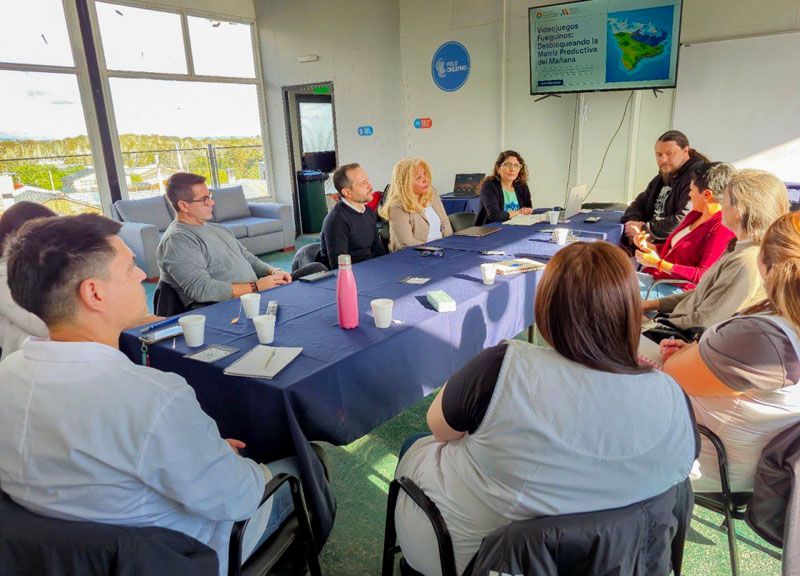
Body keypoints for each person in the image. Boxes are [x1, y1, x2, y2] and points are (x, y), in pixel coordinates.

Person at [0, 214, 307, 575]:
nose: (143, 277)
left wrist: (201, 450)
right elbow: (239, 497)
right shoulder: (154, 397)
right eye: (130, 267)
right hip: (176, 554)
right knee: (304, 466)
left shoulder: (8, 375)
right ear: (94, 293)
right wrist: (230, 460)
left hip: (64, 558)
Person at [394, 242, 696, 575]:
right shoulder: (673, 398)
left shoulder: (502, 367)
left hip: (476, 558)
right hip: (618, 562)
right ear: (628, 310)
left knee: (417, 444)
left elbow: (439, 427)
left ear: (546, 306)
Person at [661, 212, 800, 493]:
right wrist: (701, 352)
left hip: (709, 457)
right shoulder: (779, 329)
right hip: (754, 458)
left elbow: (672, 373)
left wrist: (690, 354)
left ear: (767, 263)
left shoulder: (764, 338)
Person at [642, 169, 789, 337]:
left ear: (738, 210)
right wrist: (653, 304)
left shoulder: (746, 260)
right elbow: (701, 294)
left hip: (685, 338)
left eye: (724, 199)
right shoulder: (737, 246)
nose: (720, 205)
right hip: (678, 326)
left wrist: (648, 325)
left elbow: (706, 322)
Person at [157, 172, 295, 308]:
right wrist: (257, 286)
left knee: (313, 270)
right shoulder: (178, 240)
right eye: (204, 199)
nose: (212, 202)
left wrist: (273, 271)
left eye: (209, 196)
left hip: (253, 295)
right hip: (224, 307)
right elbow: (202, 290)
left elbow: (248, 259)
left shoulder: (217, 229)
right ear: (184, 206)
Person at [634, 162, 736, 297]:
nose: (689, 194)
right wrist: (650, 246)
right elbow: (675, 250)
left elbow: (702, 275)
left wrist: (658, 264)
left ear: (707, 195)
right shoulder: (696, 214)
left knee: (606, 287)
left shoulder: (722, 228)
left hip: (679, 292)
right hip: (659, 279)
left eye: (692, 190)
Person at [621, 130, 708, 251]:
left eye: (669, 153)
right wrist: (633, 224)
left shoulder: (696, 178)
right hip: (648, 245)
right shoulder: (665, 174)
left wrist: (645, 230)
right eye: (659, 154)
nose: (663, 159)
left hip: (673, 251)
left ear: (685, 151)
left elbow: (684, 218)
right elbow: (640, 202)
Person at [0, 202, 55, 360]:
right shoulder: (5, 277)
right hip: (27, 366)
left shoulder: (39, 266)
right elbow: (44, 326)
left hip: (49, 358)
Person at [318, 163, 385, 269]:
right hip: (350, 277)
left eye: (368, 181)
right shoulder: (336, 220)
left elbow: (378, 251)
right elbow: (339, 266)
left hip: (371, 271)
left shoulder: (367, 212)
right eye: (363, 184)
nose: (370, 187)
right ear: (347, 192)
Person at [379, 158, 453, 252]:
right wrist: (437, 249)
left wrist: (449, 244)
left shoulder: (432, 193)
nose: (425, 180)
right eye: (419, 178)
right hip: (416, 254)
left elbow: (444, 222)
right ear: (406, 183)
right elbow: (408, 243)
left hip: (443, 249)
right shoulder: (396, 206)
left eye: (425, 174)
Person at [474, 150, 533, 225]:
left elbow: (528, 207)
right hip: (491, 230)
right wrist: (518, 212)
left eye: (516, 165)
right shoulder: (489, 186)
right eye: (507, 165)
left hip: (516, 227)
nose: (512, 169)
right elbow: (495, 216)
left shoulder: (522, 186)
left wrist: (527, 210)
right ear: (498, 168)